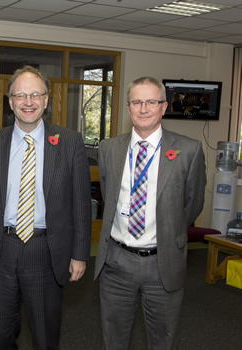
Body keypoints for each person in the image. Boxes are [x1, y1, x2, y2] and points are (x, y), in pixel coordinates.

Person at [0, 65, 92, 349]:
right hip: (1, 250)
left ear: (46, 99)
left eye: (35, 95)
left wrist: (80, 253)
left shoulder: (70, 142)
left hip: (45, 250)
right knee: (0, 336)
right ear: (10, 102)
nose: (28, 102)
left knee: (45, 338)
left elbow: (81, 203)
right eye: (21, 95)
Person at [94, 76, 206, 350]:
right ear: (129, 107)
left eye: (151, 102)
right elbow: (109, 195)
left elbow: (193, 204)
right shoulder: (109, 149)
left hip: (163, 263)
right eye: (137, 102)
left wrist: (169, 230)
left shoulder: (188, 150)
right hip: (116, 262)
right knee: (114, 341)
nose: (144, 108)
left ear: (164, 107)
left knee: (162, 340)